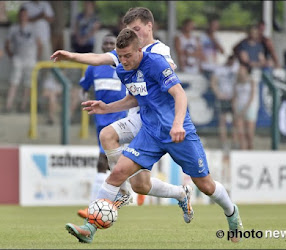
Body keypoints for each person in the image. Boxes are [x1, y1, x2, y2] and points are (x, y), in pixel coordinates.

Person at [65, 28, 243, 244]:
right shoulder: (123, 69)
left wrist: (178, 124)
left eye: (128, 56)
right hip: (150, 132)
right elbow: (135, 98)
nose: (124, 61)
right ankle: (89, 228)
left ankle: (232, 213)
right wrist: (107, 108)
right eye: (120, 57)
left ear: (139, 50)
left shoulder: (157, 63)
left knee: (206, 185)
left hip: (179, 133)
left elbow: (179, 94)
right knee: (117, 172)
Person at [51, 7, 193, 216]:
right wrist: (71, 56)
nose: (134, 34)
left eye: (136, 29)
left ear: (148, 26)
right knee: (139, 182)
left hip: (154, 122)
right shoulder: (127, 52)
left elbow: (168, 70)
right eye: (130, 30)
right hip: (135, 116)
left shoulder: (159, 51)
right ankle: (164, 193)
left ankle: (121, 192)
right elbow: (98, 58)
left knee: (140, 182)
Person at [76, 34, 127, 218]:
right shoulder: (93, 67)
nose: (108, 45)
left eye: (111, 43)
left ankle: (94, 207)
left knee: (105, 162)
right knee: (114, 165)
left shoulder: (125, 66)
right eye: (105, 43)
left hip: (122, 120)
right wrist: (83, 102)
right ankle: (112, 200)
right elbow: (83, 88)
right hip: (101, 119)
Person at [22, 0, 58, 124]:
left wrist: (43, 16)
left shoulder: (45, 4)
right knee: (32, 75)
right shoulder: (26, 5)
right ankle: (28, 104)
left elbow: (51, 19)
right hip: (30, 44)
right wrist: (40, 16)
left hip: (44, 42)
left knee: (46, 73)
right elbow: (23, 19)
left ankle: (41, 103)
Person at [5, 7, 42, 112]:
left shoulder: (33, 28)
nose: (23, 17)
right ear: (19, 16)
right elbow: (7, 43)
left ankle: (23, 106)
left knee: (28, 84)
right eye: (21, 15)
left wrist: (37, 58)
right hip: (18, 58)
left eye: (25, 15)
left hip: (31, 59)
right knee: (13, 82)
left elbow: (40, 45)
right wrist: (11, 55)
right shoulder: (14, 28)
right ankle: (8, 105)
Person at [210, 55, 239, 153]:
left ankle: (235, 140)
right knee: (223, 120)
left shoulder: (236, 69)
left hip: (233, 97)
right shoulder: (220, 70)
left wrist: (235, 95)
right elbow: (213, 82)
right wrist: (218, 93)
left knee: (235, 120)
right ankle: (224, 141)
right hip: (223, 97)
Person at [232, 63, 257, 150]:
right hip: (239, 107)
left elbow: (252, 96)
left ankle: (251, 150)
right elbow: (234, 97)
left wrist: (245, 109)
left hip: (249, 108)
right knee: (241, 133)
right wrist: (235, 109)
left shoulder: (251, 81)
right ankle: (243, 150)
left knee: (249, 133)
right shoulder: (236, 82)